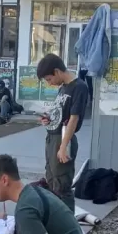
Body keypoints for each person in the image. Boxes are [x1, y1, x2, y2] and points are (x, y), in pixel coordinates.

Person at [36, 53, 90, 211]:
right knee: (51, 180)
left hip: (63, 138)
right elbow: (60, 113)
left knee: (62, 184)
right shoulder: (63, 88)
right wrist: (48, 119)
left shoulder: (79, 87)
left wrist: (63, 146)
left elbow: (73, 118)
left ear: (57, 71)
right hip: (52, 137)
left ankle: (68, 225)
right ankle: (56, 219)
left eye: (49, 79)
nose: (49, 83)